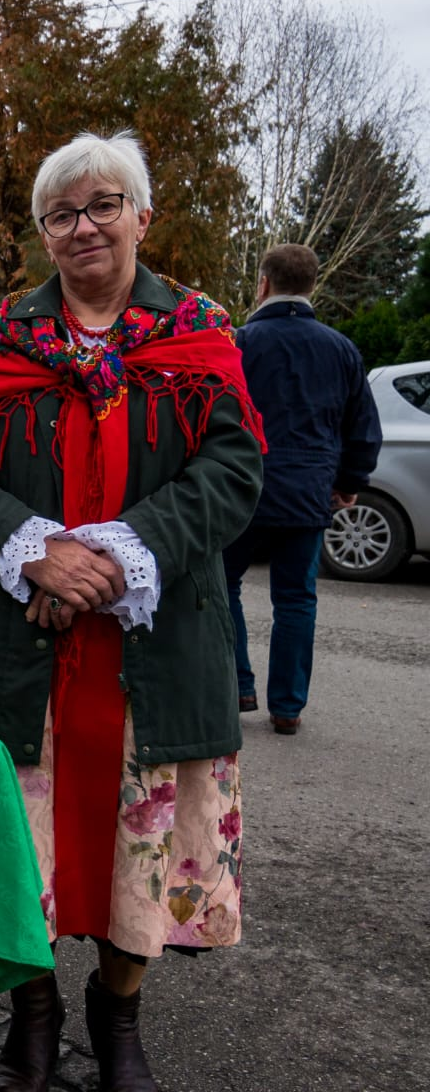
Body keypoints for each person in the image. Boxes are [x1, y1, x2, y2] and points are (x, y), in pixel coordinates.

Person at [0, 131, 265, 1092]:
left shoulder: (200, 331)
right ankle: (28, 1018)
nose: (83, 225)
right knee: (21, 855)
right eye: (62, 213)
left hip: (155, 656)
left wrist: (119, 553)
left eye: (102, 204)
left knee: (141, 860)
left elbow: (237, 468)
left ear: (141, 216)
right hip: (26, 658)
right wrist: (31, 548)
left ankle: (116, 1020)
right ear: (44, 233)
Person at [222, 243, 381, 735]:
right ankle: (287, 706)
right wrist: (350, 482)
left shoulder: (239, 343)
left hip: (242, 490)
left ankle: (237, 684)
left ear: (263, 284)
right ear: (313, 286)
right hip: (309, 493)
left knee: (224, 585)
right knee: (296, 598)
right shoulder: (341, 349)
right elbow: (362, 426)